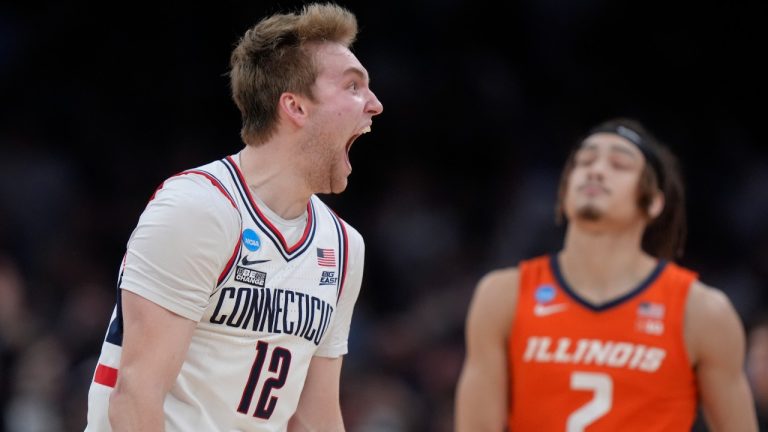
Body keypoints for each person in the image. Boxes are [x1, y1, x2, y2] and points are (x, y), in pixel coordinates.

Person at [85, 3, 383, 431]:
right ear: (295, 106)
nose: (375, 104)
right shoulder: (198, 210)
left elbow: (314, 416)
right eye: (353, 86)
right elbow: (135, 397)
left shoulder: (342, 245)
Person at [455, 118, 758, 431]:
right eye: (584, 161)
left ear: (653, 203)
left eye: (619, 165)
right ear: (563, 192)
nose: (596, 170)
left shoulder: (702, 313)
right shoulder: (503, 296)